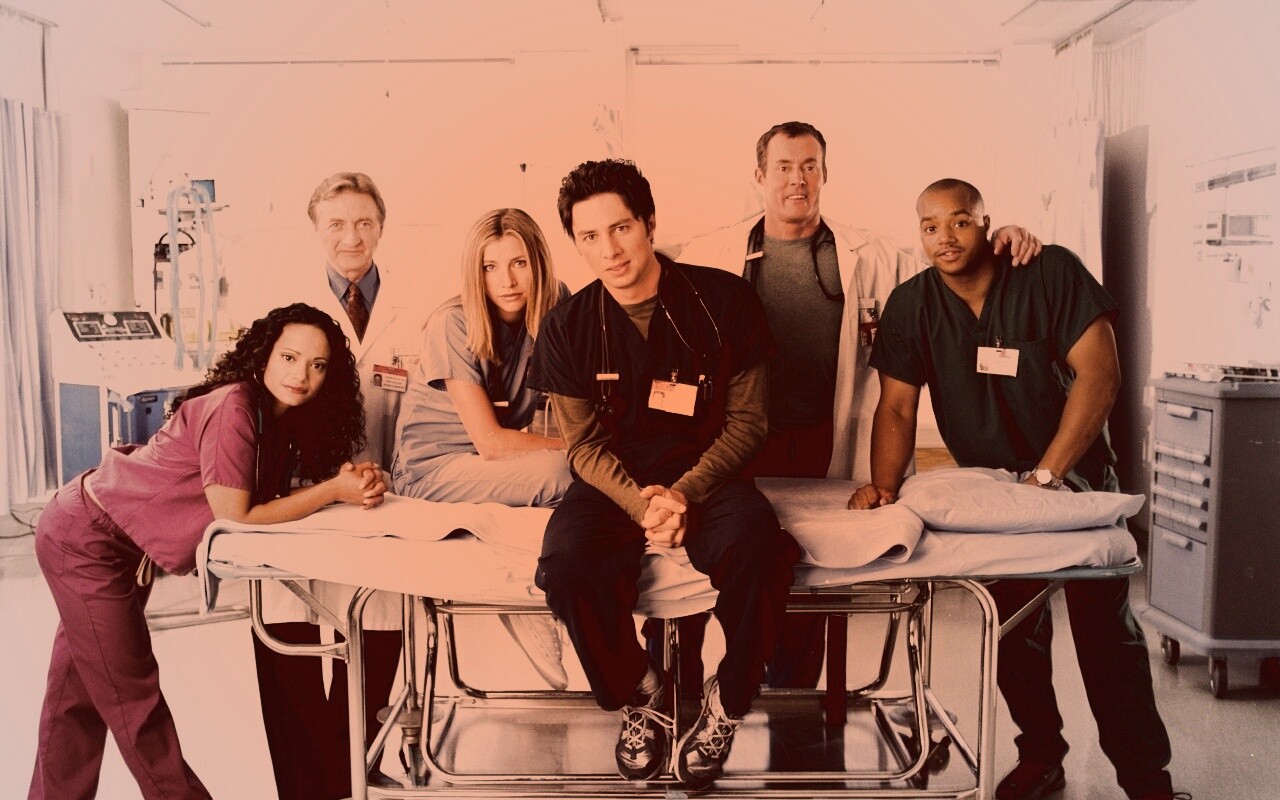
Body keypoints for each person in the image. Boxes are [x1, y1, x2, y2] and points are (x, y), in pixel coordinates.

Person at [678, 121, 1043, 692]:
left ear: (825, 173)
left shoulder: (869, 256)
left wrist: (1002, 238)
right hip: (740, 441)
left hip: (825, 441)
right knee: (728, 566)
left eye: (810, 166)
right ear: (759, 175)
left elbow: (950, 265)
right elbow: (646, 275)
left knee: (813, 574)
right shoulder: (712, 254)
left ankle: (793, 703)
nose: (797, 180)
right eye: (784, 167)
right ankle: (716, 689)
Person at [849, 179, 1182, 800]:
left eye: (960, 221)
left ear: (986, 223)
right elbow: (895, 407)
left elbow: (1100, 375)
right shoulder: (912, 304)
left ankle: (1146, 781)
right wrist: (884, 488)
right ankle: (1042, 756)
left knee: (1106, 636)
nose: (945, 238)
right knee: (1011, 631)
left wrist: (1048, 476)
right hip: (993, 497)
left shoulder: (1047, 272)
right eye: (929, 226)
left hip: (1075, 480)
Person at [28, 303, 385, 800]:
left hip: (117, 544)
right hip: (86, 539)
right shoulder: (234, 406)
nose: (301, 375)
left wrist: (346, 483)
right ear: (264, 355)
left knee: (79, 697)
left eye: (317, 365)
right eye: (289, 357)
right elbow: (236, 513)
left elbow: (267, 497)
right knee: (132, 700)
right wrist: (333, 491)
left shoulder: (279, 419)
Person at [530, 159, 800, 790]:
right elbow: (584, 447)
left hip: (713, 473)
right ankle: (642, 691)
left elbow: (749, 424)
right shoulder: (568, 327)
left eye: (621, 228)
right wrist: (642, 504)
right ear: (575, 243)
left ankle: (728, 699)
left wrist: (683, 493)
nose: (609, 249)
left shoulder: (725, 301)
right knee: (566, 567)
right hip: (613, 483)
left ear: (649, 223)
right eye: (590, 236)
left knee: (758, 548)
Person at [252, 172, 423, 800]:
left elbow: (422, 414)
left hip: (382, 499)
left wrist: (390, 477)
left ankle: (351, 777)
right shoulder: (285, 307)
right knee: (289, 641)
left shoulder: (413, 312)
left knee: (379, 638)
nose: (351, 237)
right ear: (316, 229)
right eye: (336, 224)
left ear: (381, 227)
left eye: (363, 223)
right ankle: (305, 788)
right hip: (298, 500)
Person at [392, 207, 572, 688]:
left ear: (539, 262)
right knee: (563, 472)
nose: (506, 281)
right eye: (490, 267)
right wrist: (576, 447)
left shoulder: (557, 304)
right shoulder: (453, 322)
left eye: (519, 263)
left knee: (586, 473)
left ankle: (540, 583)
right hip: (432, 469)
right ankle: (525, 597)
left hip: (491, 461)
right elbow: (491, 444)